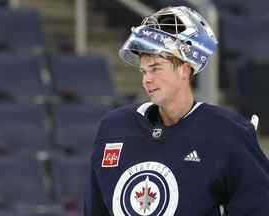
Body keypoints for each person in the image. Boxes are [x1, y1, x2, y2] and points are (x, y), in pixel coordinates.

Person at [84, 6, 269, 215]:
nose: (147, 79)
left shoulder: (228, 132)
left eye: (155, 68)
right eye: (143, 70)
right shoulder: (113, 128)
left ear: (184, 68)